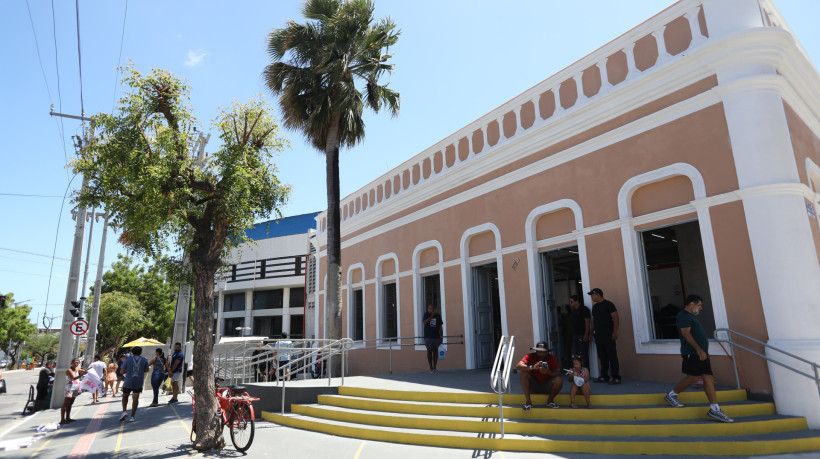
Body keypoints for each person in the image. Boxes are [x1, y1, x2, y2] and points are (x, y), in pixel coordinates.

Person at [664, 295, 734, 423]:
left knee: (709, 378)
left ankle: (715, 409)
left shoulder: (691, 317)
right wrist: (698, 349)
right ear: (692, 304)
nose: (700, 308)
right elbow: (685, 333)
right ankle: (671, 395)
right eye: (699, 305)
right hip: (692, 353)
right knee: (693, 377)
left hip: (702, 354)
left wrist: (702, 351)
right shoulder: (684, 316)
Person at [516, 341, 563, 411]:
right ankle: (528, 402)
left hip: (547, 385)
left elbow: (558, 373)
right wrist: (532, 367)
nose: (541, 353)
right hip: (534, 385)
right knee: (524, 373)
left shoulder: (552, 358)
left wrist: (548, 372)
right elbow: (518, 366)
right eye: (539, 351)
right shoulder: (530, 356)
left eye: (543, 352)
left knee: (559, 380)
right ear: (536, 351)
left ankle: (550, 401)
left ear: (547, 352)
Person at [589, 288, 621, 384]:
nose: (591, 297)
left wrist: (615, 332)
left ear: (597, 294)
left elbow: (616, 318)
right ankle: (604, 376)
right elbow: (594, 321)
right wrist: (591, 333)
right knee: (602, 357)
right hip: (598, 335)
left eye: (592, 295)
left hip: (608, 335)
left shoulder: (609, 304)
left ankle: (616, 377)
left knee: (612, 356)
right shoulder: (595, 307)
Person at [119, 346, 149, 422]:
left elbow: (121, 371)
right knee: (135, 398)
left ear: (132, 352)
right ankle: (132, 416)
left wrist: (128, 371)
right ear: (140, 352)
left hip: (128, 381)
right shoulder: (144, 360)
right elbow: (147, 370)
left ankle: (124, 411)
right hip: (138, 382)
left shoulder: (127, 360)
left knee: (125, 396)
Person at [569, 295, 591, 369]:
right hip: (575, 335)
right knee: (574, 355)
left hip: (582, 335)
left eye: (571, 301)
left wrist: (586, 334)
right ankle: (577, 373)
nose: (570, 303)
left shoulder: (584, 310)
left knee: (583, 355)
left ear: (577, 301)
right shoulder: (574, 311)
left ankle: (585, 374)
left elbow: (587, 322)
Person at [61, 358, 86, 424]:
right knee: (65, 404)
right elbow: (73, 378)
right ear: (71, 363)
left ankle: (68, 418)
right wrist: (81, 375)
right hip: (69, 389)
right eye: (75, 363)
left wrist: (89, 369)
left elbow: (84, 371)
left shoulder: (77, 369)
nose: (76, 364)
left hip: (75, 388)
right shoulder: (69, 370)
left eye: (77, 363)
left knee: (70, 403)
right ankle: (62, 419)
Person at [422, 304, 444, 373]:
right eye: (429, 308)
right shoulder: (426, 314)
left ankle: (435, 367)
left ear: (434, 309)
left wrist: (441, 337)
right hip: (428, 336)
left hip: (436, 336)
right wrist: (431, 316)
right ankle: (430, 367)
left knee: (435, 351)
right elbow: (425, 323)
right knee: (429, 351)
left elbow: (440, 327)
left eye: (431, 309)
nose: (430, 310)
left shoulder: (438, 316)